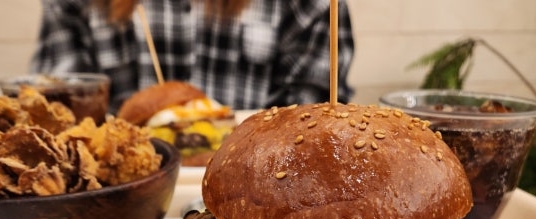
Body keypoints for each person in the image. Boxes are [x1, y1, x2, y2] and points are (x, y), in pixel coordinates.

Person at [30, 0, 354, 112]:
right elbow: (59, 110)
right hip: (116, 209)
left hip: (267, 200)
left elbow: (317, 114)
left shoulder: (312, 4)